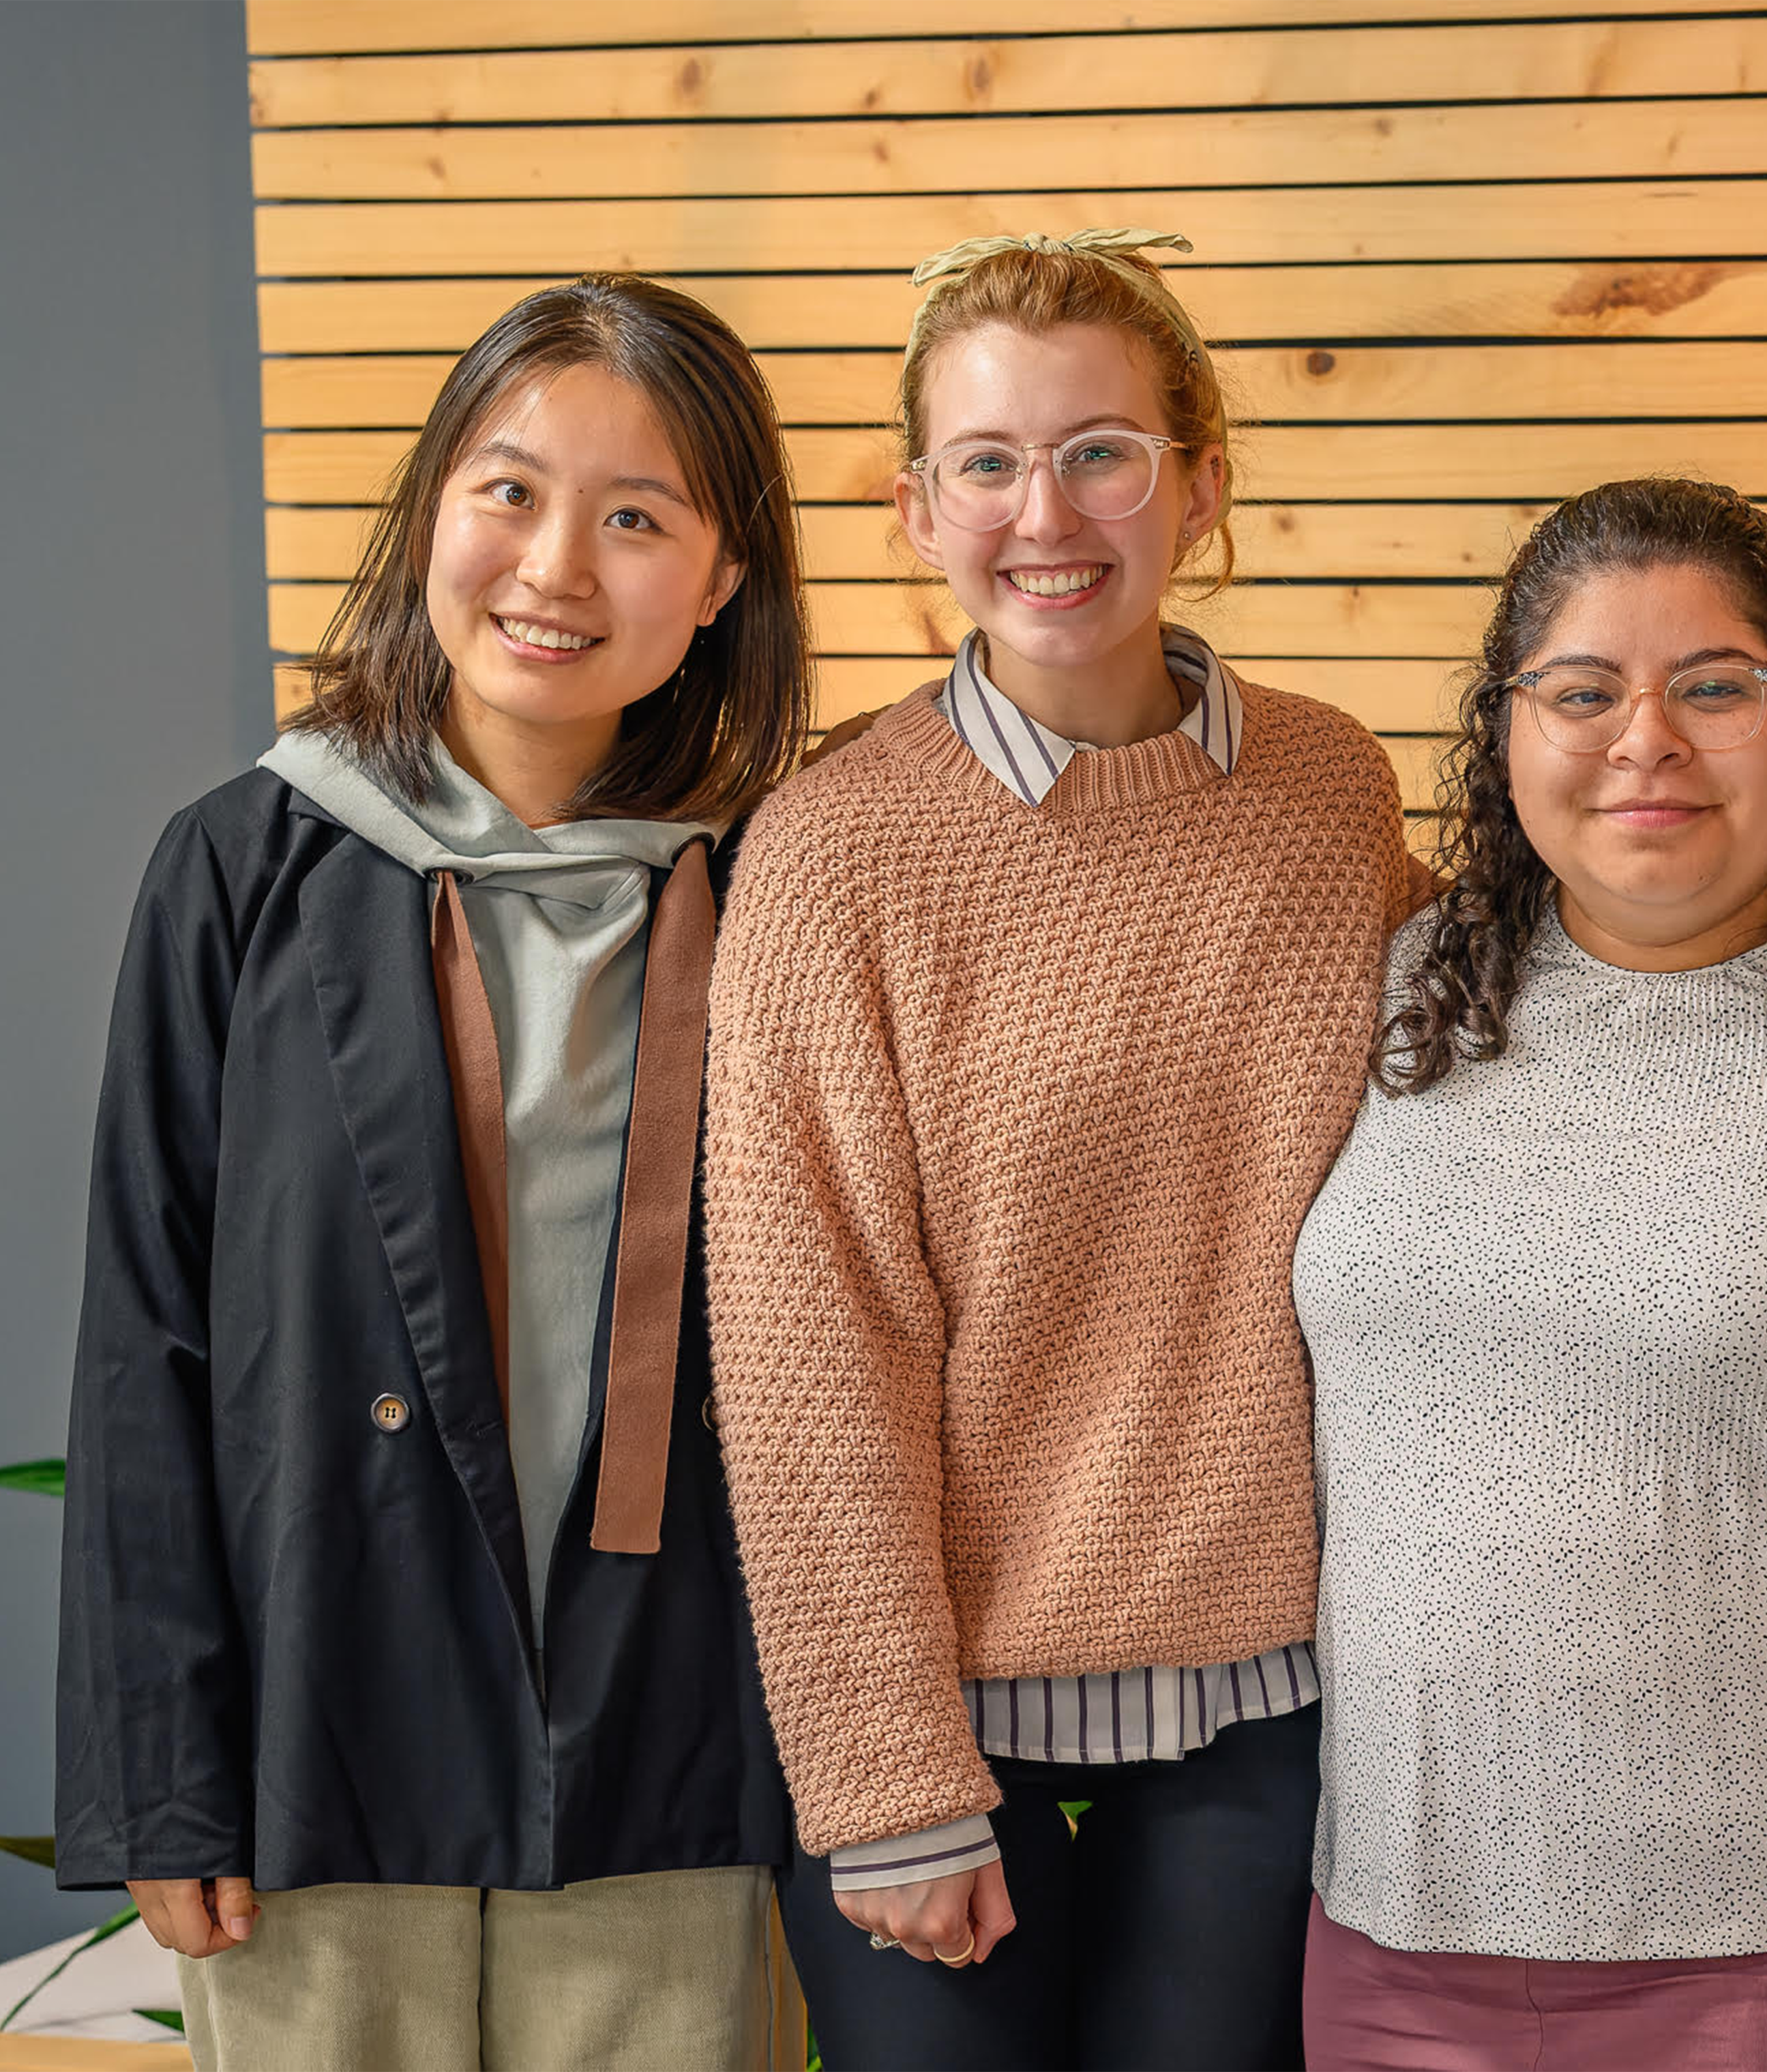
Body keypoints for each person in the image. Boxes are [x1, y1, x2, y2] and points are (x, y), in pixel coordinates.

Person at [55, 275, 814, 2070]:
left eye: (639, 518)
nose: (558, 563)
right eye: (511, 488)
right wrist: (168, 1777)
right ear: (429, 514)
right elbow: (141, 1336)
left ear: (719, 580)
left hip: (681, 1743)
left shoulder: (792, 886)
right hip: (328, 1737)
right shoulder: (243, 866)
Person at [704, 227, 1431, 2071]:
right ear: (914, 507)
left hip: (1275, 1706)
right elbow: (808, 1351)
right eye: (991, 461)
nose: (1052, 509)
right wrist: (887, 1776)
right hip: (948, 1730)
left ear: (1197, 481)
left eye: (1103, 449)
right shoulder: (833, 850)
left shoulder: (1333, 791)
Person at [1288, 477, 1767, 2071]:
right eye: (1583, 691)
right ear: (1507, 735)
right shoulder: (1405, 986)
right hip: (1404, 1922)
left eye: (1719, 686)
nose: (1646, 739)